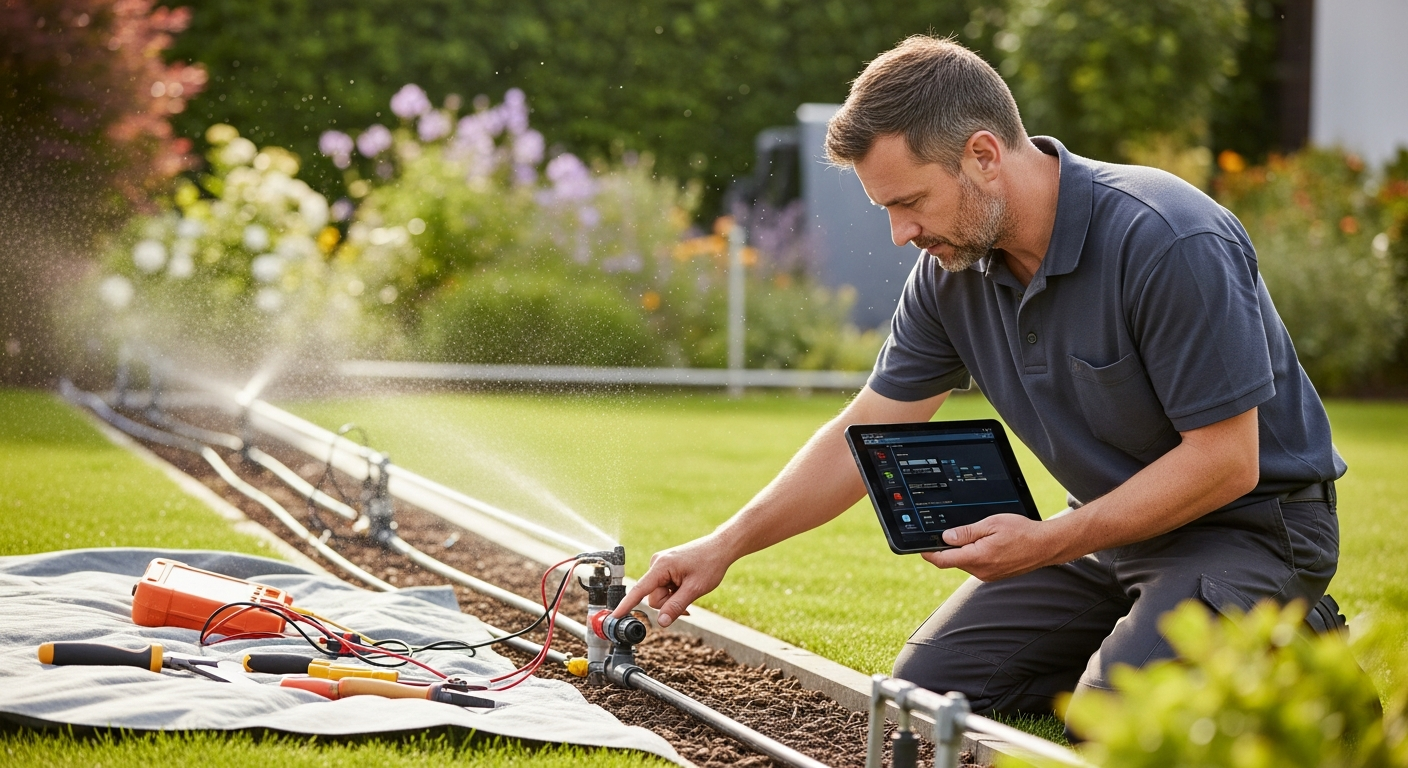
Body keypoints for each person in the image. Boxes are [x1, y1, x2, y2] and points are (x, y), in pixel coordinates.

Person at [613, 35, 1344, 718]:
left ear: (984, 155)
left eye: (908, 202)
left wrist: (1047, 540)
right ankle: (1152, 634)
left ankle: (1297, 635)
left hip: (1250, 530)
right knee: (923, 698)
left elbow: (1227, 461)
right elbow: (864, 431)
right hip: (1106, 534)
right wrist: (722, 546)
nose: (901, 234)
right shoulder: (949, 273)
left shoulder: (1167, 237)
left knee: (1115, 720)